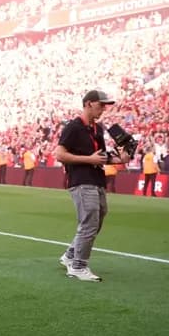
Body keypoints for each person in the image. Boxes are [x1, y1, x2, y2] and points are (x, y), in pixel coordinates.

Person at [55, 90, 130, 282]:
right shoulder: (74, 127)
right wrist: (89, 159)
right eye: (101, 105)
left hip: (97, 179)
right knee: (89, 223)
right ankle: (78, 266)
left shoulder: (97, 129)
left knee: (98, 219)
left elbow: (102, 157)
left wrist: (120, 158)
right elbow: (60, 154)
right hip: (81, 180)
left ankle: (71, 255)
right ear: (89, 103)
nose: (104, 109)